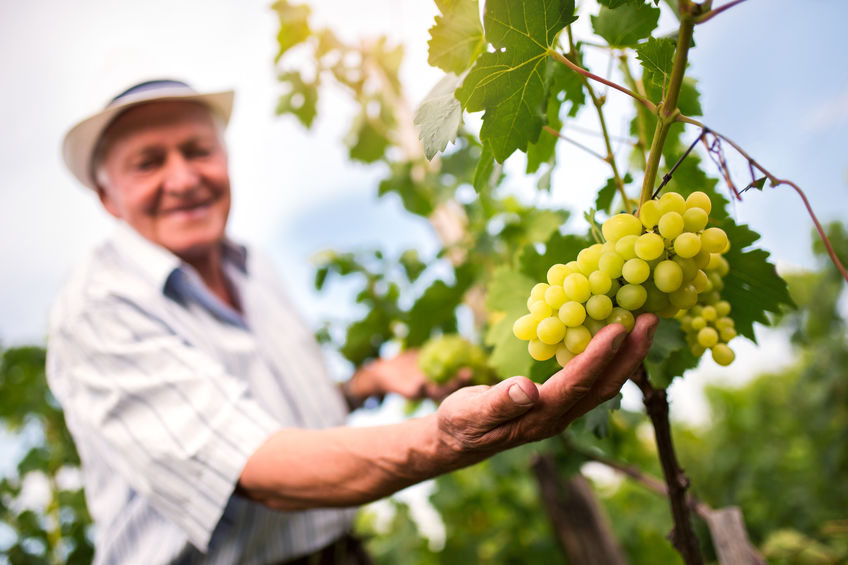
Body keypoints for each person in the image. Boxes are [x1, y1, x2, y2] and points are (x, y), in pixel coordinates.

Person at [47, 79, 658, 565]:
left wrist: (365, 383)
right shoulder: (98, 308)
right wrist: (447, 438)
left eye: (198, 151)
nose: (183, 177)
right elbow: (256, 468)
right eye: (148, 163)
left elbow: (265, 415)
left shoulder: (252, 267)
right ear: (107, 197)